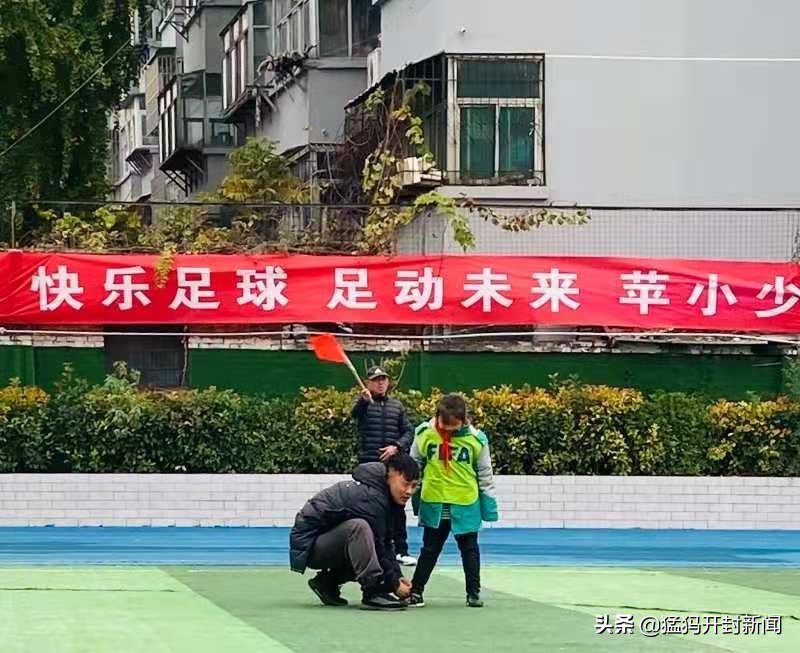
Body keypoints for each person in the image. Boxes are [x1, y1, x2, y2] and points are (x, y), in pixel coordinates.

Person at [289, 453, 420, 610]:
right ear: (391, 474)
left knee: (364, 544)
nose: (409, 491)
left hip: (327, 542)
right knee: (359, 528)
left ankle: (326, 583)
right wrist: (393, 584)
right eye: (405, 484)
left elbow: (386, 542)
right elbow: (378, 546)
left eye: (414, 486)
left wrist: (397, 577)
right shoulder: (372, 497)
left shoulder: (388, 497)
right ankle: (373, 592)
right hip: (310, 547)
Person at [407, 393, 499, 608]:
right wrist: (412, 494)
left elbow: (485, 474)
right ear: (437, 415)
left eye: (453, 426)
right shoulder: (424, 433)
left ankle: (473, 593)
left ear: (463, 419)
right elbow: (413, 465)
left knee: (470, 550)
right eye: (444, 425)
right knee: (429, 550)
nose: (448, 430)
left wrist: (489, 508)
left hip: (465, 504)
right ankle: (416, 591)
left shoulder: (477, 440)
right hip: (435, 502)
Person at [350, 365, 417, 566]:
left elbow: (409, 431)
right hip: (369, 465)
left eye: (383, 379)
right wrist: (363, 401)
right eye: (376, 380)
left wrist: (396, 447)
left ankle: (401, 551)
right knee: (371, 509)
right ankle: (371, 550)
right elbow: (355, 415)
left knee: (398, 508)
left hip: (393, 466)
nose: (380, 383)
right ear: (368, 382)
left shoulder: (397, 406)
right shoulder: (363, 403)